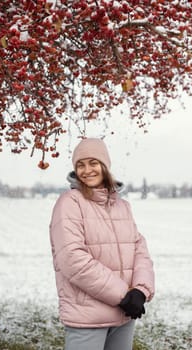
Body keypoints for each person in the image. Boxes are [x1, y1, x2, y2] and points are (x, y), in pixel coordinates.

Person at [49, 137, 155, 350]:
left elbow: (139, 249)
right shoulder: (70, 203)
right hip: (87, 317)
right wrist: (123, 295)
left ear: (105, 165)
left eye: (93, 163)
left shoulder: (121, 205)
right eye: (80, 165)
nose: (87, 170)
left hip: (124, 315)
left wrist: (140, 291)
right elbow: (73, 259)